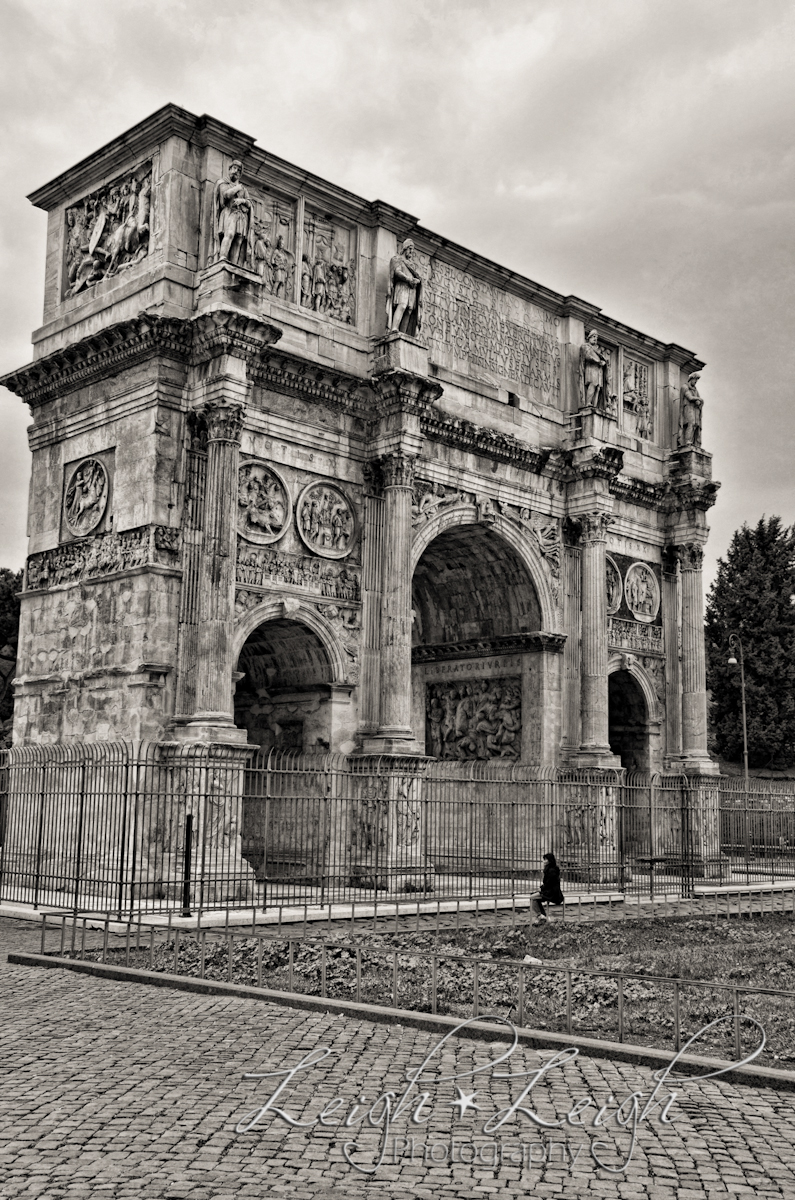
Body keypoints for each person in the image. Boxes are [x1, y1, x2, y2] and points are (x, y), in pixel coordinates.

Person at [530, 852, 564, 925]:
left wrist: (541, 889)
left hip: (552, 893)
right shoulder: (550, 869)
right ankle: (542, 915)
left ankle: (540, 915)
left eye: (545, 860)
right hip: (549, 891)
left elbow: (549, 883)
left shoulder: (551, 871)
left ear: (549, 861)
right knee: (534, 897)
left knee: (532, 897)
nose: (544, 861)